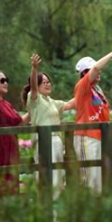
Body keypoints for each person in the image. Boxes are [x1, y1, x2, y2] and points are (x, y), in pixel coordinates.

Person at [73, 44, 112, 192]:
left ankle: (97, 213)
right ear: (83, 73)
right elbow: (97, 68)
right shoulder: (82, 86)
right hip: (86, 136)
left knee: (98, 179)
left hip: (98, 137)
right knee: (89, 179)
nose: (97, 72)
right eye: (90, 70)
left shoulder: (96, 90)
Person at [22, 54, 75, 198]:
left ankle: (56, 215)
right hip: (43, 142)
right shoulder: (34, 100)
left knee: (58, 177)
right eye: (43, 82)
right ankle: (46, 213)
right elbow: (32, 86)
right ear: (37, 86)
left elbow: (70, 104)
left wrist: (85, 87)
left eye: (48, 81)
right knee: (45, 177)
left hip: (57, 142)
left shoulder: (52, 102)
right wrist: (34, 68)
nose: (47, 84)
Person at [0, 68, 30, 196]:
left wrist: (34, 109)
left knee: (11, 185)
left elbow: (19, 122)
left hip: (10, 147)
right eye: (2, 80)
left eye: (6, 80)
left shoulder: (7, 104)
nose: (6, 83)